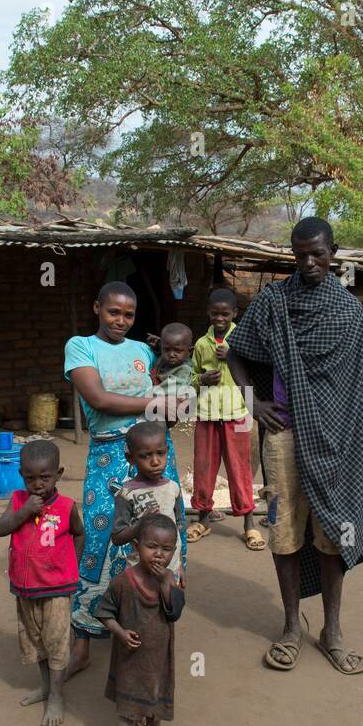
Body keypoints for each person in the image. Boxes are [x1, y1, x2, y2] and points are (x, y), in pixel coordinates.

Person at [225, 216, 363, 675]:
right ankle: (291, 626)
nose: (308, 262)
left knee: (334, 533)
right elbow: (236, 352)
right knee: (285, 532)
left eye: (317, 254)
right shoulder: (274, 302)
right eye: (299, 254)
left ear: (334, 252)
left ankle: (331, 631)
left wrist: (353, 442)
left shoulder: (350, 312)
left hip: (338, 442)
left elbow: (356, 387)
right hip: (285, 436)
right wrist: (254, 403)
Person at [63, 282, 186, 679]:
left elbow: (169, 386)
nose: (120, 320)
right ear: (97, 307)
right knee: (102, 540)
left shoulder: (144, 351)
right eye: (113, 311)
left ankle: (153, 628)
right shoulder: (80, 346)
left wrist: (176, 402)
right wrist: (158, 404)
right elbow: (98, 399)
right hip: (109, 454)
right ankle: (83, 640)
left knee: (161, 531)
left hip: (154, 451)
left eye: (128, 314)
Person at [0, 440, 85, 726]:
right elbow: (0, 529)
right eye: (30, 478)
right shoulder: (18, 500)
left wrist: (73, 564)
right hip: (25, 589)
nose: (37, 485)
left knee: (57, 642)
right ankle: (45, 687)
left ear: (58, 474)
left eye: (45, 477)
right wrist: (24, 512)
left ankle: (57, 696)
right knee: (36, 642)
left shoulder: (67, 507)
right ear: (21, 475)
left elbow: (79, 535)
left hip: (57, 589)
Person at [96, 512, 184, 726]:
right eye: (152, 546)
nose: (159, 554)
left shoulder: (170, 579)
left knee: (157, 700)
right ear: (136, 547)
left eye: (166, 549)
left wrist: (166, 583)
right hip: (131, 657)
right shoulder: (123, 581)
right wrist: (120, 632)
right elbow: (104, 613)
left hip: (159, 656)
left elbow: (175, 612)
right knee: (128, 709)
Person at [188, 287, 261, 550]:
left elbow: (254, 371)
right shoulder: (200, 344)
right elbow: (191, 376)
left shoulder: (242, 339)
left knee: (239, 469)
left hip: (238, 414)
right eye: (215, 314)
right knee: (204, 468)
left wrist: (232, 355)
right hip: (206, 414)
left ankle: (249, 524)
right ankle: (202, 519)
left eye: (225, 314)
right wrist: (201, 379)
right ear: (209, 313)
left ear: (234, 313)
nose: (220, 319)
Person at [111, 421, 185, 578]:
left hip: (169, 570)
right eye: (145, 456)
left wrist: (179, 566)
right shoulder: (127, 494)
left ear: (167, 451)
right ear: (130, 458)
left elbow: (177, 532)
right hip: (140, 572)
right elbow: (117, 537)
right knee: (140, 602)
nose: (155, 461)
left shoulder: (173, 488)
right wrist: (140, 525)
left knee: (168, 601)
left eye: (160, 453)